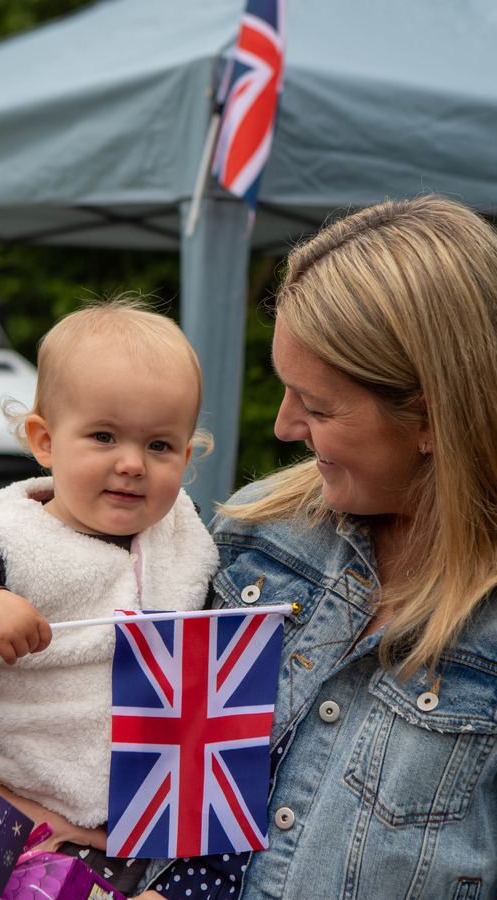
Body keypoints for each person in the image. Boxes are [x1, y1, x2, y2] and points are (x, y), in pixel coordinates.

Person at [134, 195, 497, 900]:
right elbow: (175, 797)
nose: (283, 425)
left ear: (432, 417)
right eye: (286, 389)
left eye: (319, 406)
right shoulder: (256, 534)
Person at [0, 298, 219, 897]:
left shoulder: (187, 538)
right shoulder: (6, 541)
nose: (132, 464)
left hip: (158, 832)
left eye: (160, 446)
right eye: (104, 436)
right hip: (31, 828)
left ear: (188, 454)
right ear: (44, 440)